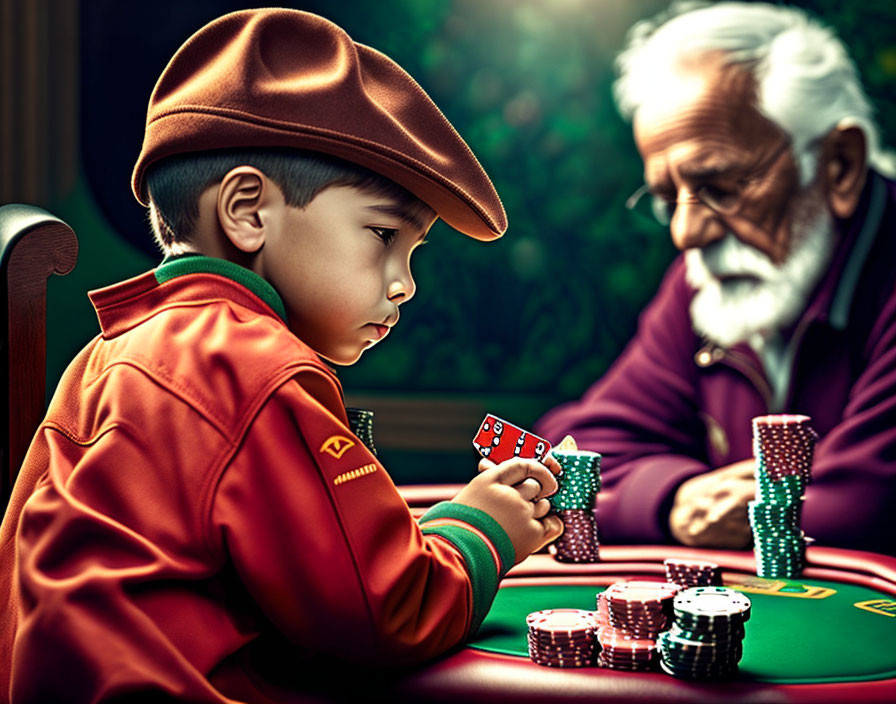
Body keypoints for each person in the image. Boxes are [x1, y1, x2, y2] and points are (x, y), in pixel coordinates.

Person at [0, 9, 564, 703]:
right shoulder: (260, 368)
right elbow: (385, 611)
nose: (404, 284)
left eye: (412, 255)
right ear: (247, 211)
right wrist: (486, 527)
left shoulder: (105, 354)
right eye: (382, 235)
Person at [536, 1, 896, 555]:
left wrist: (655, 500)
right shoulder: (707, 279)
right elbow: (571, 454)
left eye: (722, 188)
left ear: (839, 165)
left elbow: (861, 510)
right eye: (665, 199)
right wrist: (674, 499)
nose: (686, 233)